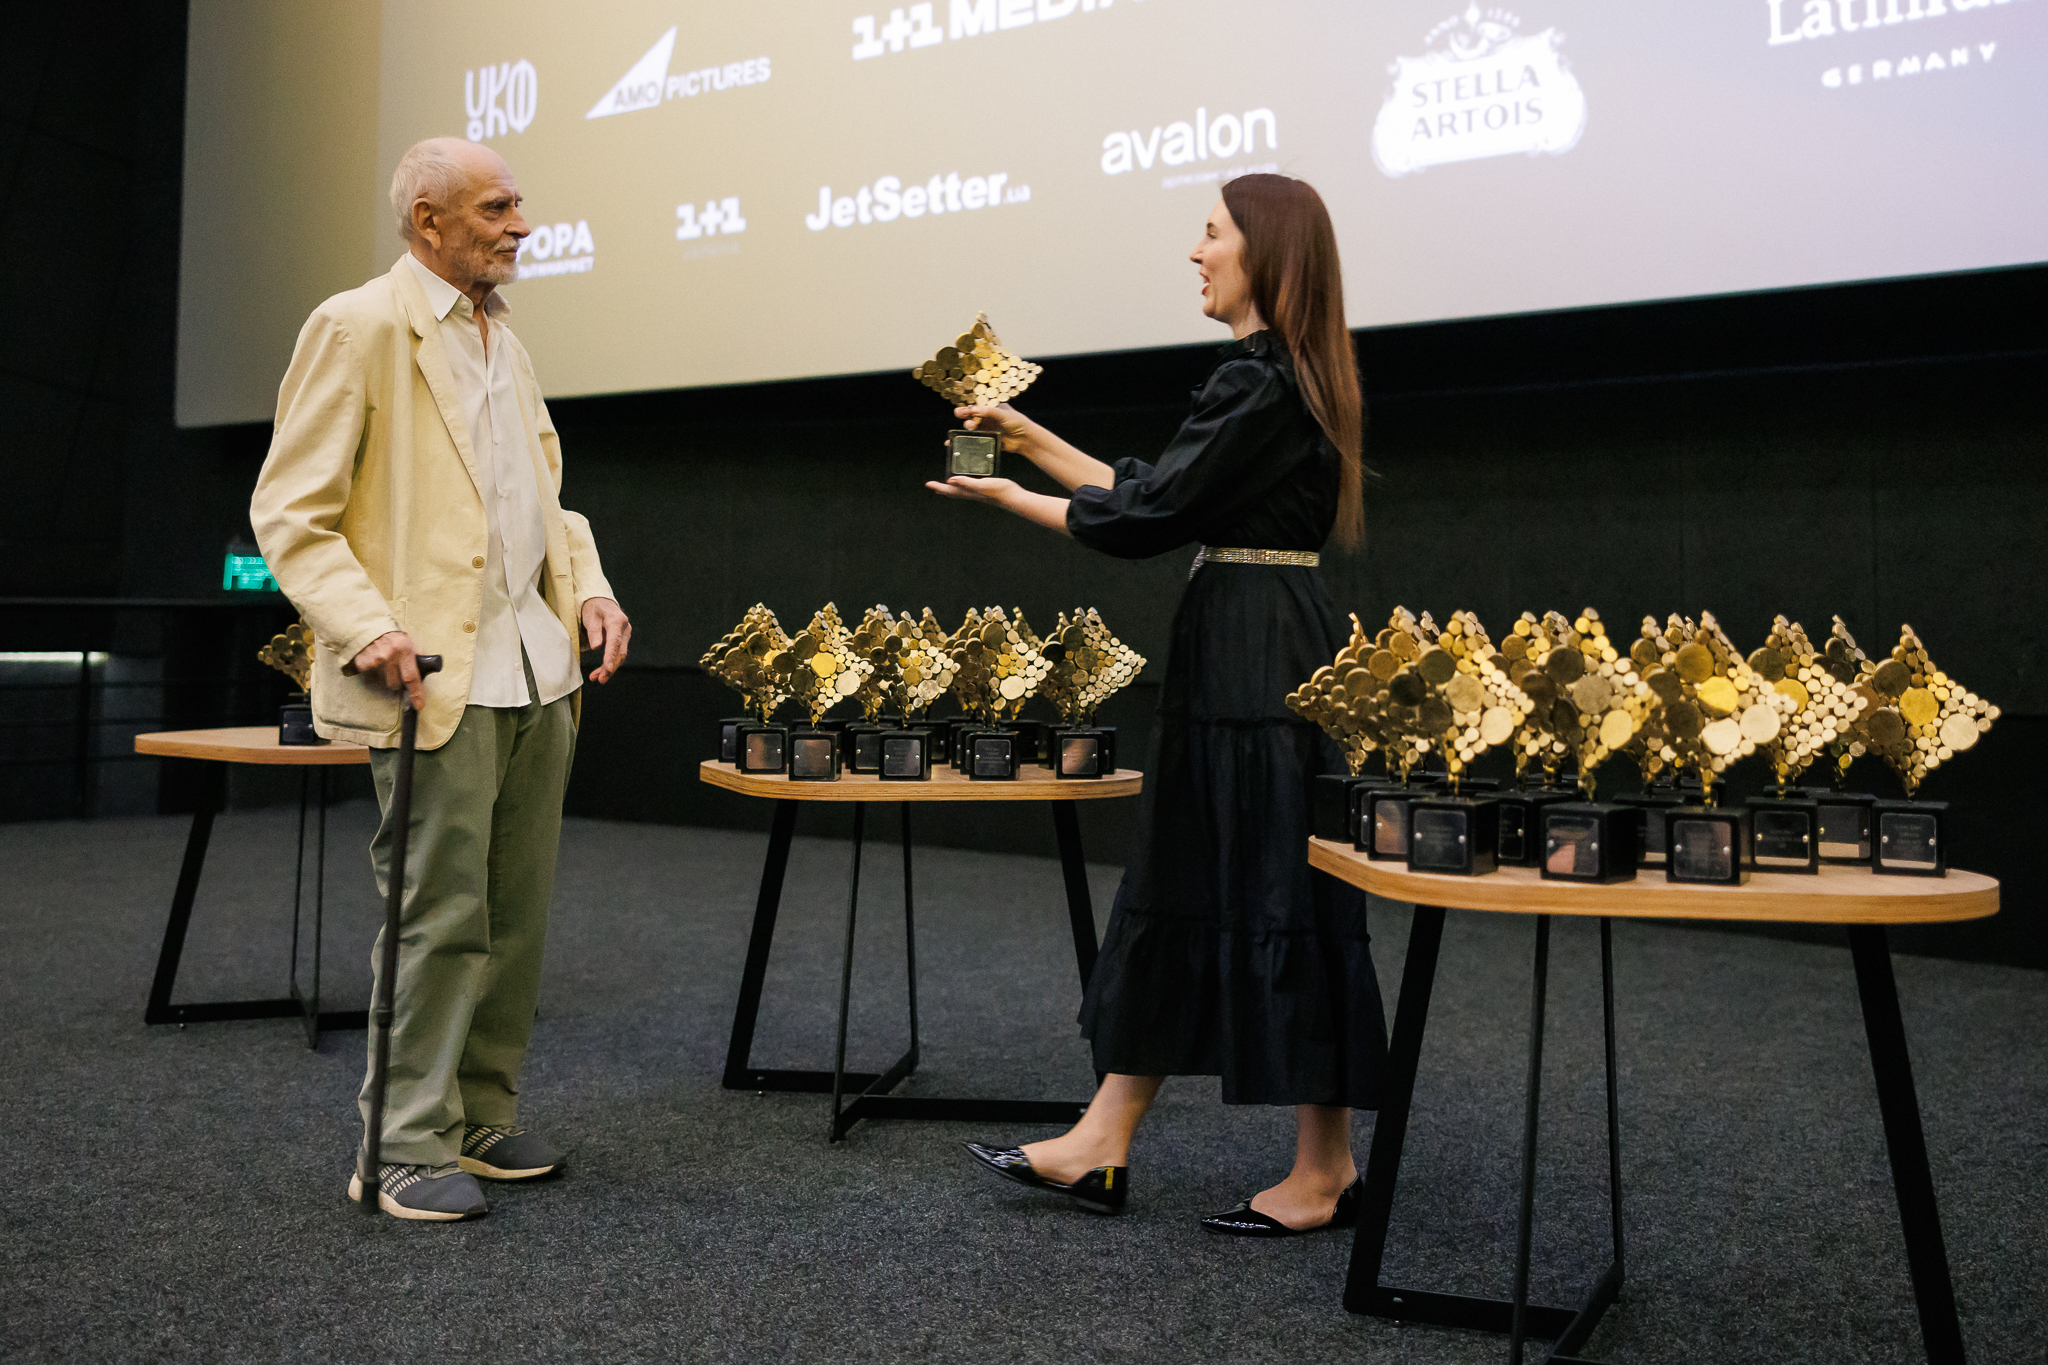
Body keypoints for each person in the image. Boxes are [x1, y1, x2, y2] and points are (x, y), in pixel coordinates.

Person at [930, 174, 1387, 1235]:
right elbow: (1160, 490)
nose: (1195, 251)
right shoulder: (1282, 379)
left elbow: (1144, 516)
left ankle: (1318, 1169)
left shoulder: (1256, 380)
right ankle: (1109, 1138)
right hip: (1255, 637)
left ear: (1265, 253)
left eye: (1213, 233)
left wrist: (1006, 491)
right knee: (1208, 876)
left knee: (1268, 884)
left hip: (1251, 655)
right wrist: (1028, 440)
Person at [250, 137, 631, 1221]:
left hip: (534, 674)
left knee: (513, 918)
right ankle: (401, 1147)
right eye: (496, 208)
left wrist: (588, 589)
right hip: (431, 682)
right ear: (427, 219)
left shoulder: (503, 342)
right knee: (435, 919)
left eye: (518, 207)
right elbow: (291, 513)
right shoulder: (359, 326)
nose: (520, 225)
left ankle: (475, 1114)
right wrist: (364, 626)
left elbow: (546, 502)